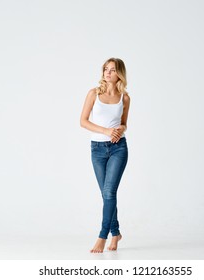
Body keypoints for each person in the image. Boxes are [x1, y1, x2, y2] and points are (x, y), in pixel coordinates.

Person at [80, 57, 131, 253]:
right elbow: (83, 121)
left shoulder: (125, 98)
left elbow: (125, 123)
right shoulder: (94, 93)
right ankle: (116, 232)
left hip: (118, 148)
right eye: (105, 69)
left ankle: (103, 235)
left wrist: (120, 128)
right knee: (106, 194)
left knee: (109, 193)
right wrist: (106, 131)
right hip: (98, 149)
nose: (107, 72)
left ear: (120, 73)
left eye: (112, 69)